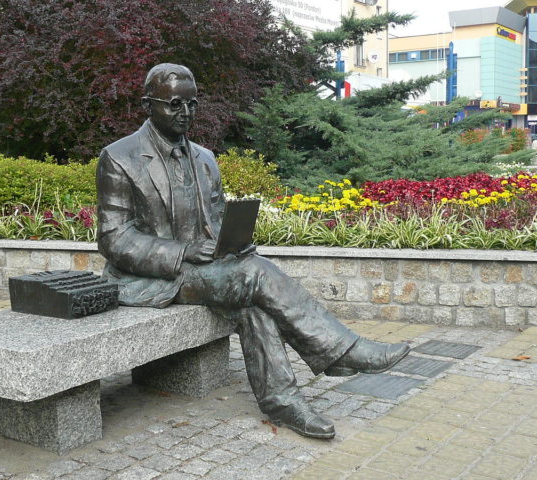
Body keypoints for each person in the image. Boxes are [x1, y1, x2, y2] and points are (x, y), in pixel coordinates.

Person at [97, 63, 410, 439]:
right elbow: (114, 238)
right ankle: (344, 351)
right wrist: (182, 252)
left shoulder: (204, 158)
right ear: (149, 105)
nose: (186, 114)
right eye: (175, 105)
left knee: (251, 294)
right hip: (151, 278)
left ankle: (283, 401)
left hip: (208, 270)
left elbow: (214, 220)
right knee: (255, 274)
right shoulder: (119, 157)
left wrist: (232, 242)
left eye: (193, 104)